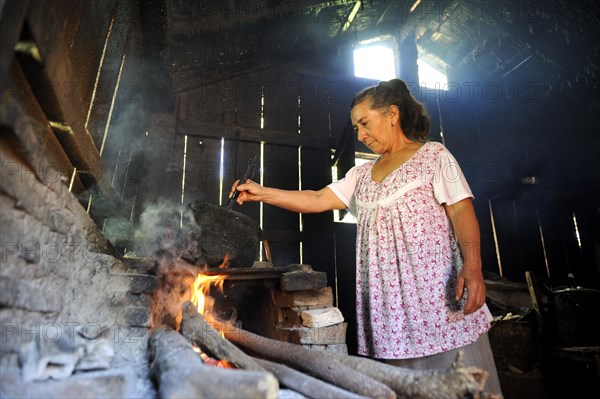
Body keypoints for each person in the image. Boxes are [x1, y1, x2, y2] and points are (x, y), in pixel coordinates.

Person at [231, 79, 502, 395]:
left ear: (392, 114)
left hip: (435, 298)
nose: (359, 135)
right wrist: (262, 193)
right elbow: (317, 199)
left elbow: (461, 211)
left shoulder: (434, 156)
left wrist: (473, 267)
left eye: (364, 123)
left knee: (457, 379)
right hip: (389, 306)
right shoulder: (361, 175)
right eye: (356, 127)